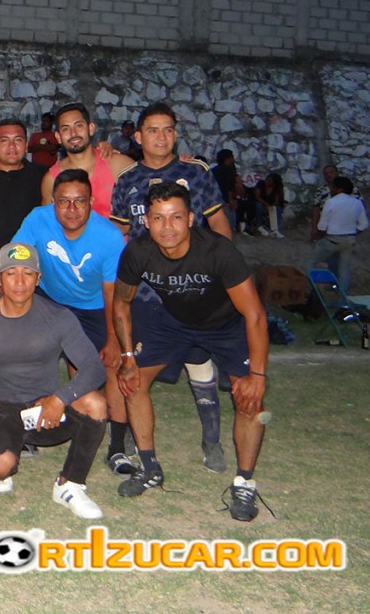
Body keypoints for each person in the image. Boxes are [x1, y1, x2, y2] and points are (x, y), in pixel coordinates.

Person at [112, 182, 269, 522]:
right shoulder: (138, 251)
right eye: (158, 218)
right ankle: (150, 468)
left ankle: (244, 483)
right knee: (133, 382)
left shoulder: (217, 251)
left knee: (249, 397)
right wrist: (127, 358)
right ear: (146, 221)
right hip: (174, 321)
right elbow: (121, 303)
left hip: (225, 324)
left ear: (191, 218)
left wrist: (257, 374)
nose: (167, 227)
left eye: (176, 217)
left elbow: (254, 314)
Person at [110, 102, 232, 473]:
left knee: (199, 362)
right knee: (136, 365)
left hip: (192, 289)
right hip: (147, 294)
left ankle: (211, 440)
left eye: (167, 130)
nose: (161, 137)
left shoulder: (195, 172)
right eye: (152, 130)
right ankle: (132, 434)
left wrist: (224, 273)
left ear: (176, 134)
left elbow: (218, 223)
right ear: (138, 136)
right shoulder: (127, 179)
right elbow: (120, 234)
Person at [0, 242, 107, 519]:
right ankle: (7, 445)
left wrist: (60, 399)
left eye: (27, 274)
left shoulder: (58, 317)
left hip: (46, 410)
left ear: (38, 278)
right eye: (11, 273)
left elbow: (94, 368)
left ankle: (70, 485)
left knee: (96, 404)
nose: (19, 282)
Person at [13, 169, 131, 475]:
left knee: (108, 366)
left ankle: (118, 445)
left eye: (79, 201)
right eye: (63, 201)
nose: (72, 209)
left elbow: (112, 294)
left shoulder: (108, 236)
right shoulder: (38, 219)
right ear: (53, 202)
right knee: (25, 354)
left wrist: (113, 340)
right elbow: (17, 259)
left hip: (94, 306)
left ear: (91, 202)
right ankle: (27, 429)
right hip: (50, 299)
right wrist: (5, 299)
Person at [0, 117, 47, 298]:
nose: (12, 146)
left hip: (29, 274)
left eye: (18, 140)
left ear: (26, 145)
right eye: (4, 140)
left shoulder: (43, 177)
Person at [39, 103, 134, 216]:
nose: (73, 133)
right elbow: (46, 223)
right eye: (65, 129)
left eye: (79, 126)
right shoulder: (51, 180)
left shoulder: (119, 165)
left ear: (91, 128)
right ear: (58, 137)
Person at [310, 176, 369, 294]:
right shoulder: (357, 202)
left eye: (333, 187)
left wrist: (318, 235)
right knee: (343, 269)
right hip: (350, 239)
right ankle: (342, 295)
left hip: (332, 239)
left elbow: (322, 226)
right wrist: (351, 232)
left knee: (310, 262)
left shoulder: (331, 202)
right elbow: (364, 224)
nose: (331, 189)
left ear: (339, 189)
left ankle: (310, 289)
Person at [310, 164, 363, 242]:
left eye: (331, 172)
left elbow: (361, 207)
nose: (329, 175)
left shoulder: (351, 189)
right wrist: (314, 228)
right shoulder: (321, 191)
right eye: (326, 173)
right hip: (326, 228)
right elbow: (316, 209)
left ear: (337, 173)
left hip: (346, 227)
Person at [254, 173, 285, 238]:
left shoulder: (276, 189)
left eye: (270, 181)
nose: (267, 182)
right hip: (262, 203)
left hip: (270, 206)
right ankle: (259, 225)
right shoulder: (261, 184)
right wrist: (266, 205)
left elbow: (277, 201)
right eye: (267, 180)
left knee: (277, 209)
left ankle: (275, 229)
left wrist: (270, 207)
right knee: (258, 206)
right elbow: (257, 197)